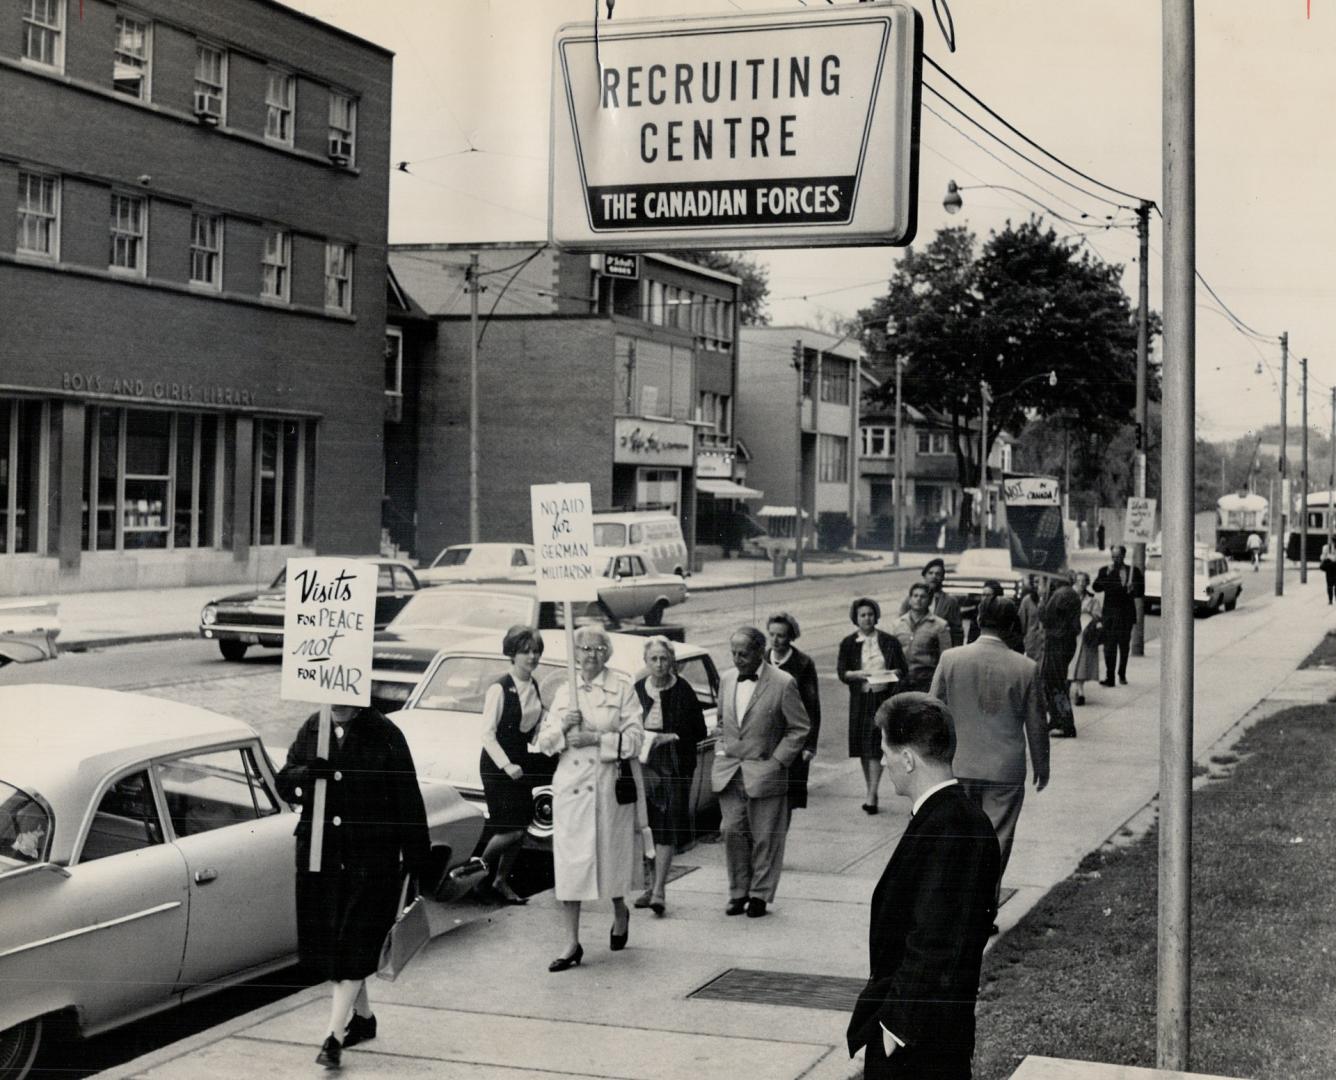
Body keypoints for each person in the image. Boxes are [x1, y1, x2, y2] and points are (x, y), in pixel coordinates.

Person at [846, 693, 1001, 1079]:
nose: (883, 761)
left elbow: (935, 940)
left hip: (920, 1048)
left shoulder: (951, 826)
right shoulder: (950, 817)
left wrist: (894, 1030)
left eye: (885, 751)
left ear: (908, 759)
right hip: (926, 1036)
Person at [276, 702, 430, 1069]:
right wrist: (306, 775)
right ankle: (363, 1018)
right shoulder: (314, 727)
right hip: (322, 854)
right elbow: (285, 781)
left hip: (370, 857)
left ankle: (333, 1036)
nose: (340, 706)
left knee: (351, 944)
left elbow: (407, 796)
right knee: (338, 943)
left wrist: (415, 858)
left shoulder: (386, 733)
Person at [930, 597, 1048, 925]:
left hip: (958, 763)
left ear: (979, 619)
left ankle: (953, 904)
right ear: (1012, 626)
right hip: (1005, 767)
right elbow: (1037, 722)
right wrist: (1042, 764)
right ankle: (982, 910)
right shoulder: (1025, 667)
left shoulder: (951, 659)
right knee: (996, 840)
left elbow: (934, 710)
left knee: (957, 836)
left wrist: (934, 757)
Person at [537, 626, 645, 972]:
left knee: (609, 858)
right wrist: (562, 729)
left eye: (598, 649)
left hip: (605, 786)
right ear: (575, 653)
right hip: (571, 786)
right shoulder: (565, 691)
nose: (591, 655)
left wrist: (597, 738)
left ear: (607, 653)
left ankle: (619, 910)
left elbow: (635, 739)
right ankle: (571, 942)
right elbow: (544, 742)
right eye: (584, 648)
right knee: (571, 865)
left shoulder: (622, 688)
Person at [712, 626, 811, 918]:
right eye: (733, 653)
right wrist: (721, 748)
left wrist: (778, 762)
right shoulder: (728, 680)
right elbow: (720, 722)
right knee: (731, 832)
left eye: (743, 653)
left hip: (766, 771)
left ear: (759, 651)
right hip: (730, 770)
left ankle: (759, 894)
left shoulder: (783, 683)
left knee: (766, 836)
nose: (737, 659)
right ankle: (738, 891)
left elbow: (799, 728)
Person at [632, 636, 707, 917]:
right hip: (644, 765)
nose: (660, 664)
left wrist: (671, 736)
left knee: (667, 826)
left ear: (671, 660)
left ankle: (660, 890)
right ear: (646, 662)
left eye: (664, 659)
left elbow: (699, 731)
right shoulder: (638, 689)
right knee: (647, 826)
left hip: (675, 765)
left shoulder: (683, 690)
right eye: (654, 659)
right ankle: (650, 886)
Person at [476, 625, 548, 905]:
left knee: (521, 826)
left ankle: (500, 881)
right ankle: (477, 873)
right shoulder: (499, 687)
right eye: (525, 651)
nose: (531, 657)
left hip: (520, 759)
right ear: (512, 654)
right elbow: (487, 734)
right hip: (497, 765)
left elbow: (532, 726)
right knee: (511, 829)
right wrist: (507, 766)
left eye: (535, 651)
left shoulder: (534, 685)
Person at [838, 598, 909, 815]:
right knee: (862, 746)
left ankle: (872, 794)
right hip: (860, 699)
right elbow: (843, 672)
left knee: (876, 745)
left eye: (870, 614)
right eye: (862, 615)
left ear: (876, 616)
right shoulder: (849, 643)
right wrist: (858, 675)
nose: (867, 618)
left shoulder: (888, 641)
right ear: (856, 618)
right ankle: (871, 789)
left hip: (882, 698)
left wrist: (893, 674)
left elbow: (902, 669)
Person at [766, 612, 822, 813]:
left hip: (794, 738)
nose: (775, 640)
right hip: (766, 737)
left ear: (790, 636)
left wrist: (810, 745)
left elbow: (812, 706)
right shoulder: (762, 660)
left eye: (781, 635)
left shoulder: (803, 663)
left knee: (788, 800)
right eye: (772, 634)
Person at [1093, 544, 1144, 687]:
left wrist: (1133, 588)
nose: (1116, 559)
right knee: (1109, 647)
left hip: (1126, 614)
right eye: (1113, 556)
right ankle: (1110, 677)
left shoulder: (1133, 571)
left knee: (1124, 646)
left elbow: (1141, 592)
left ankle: (1121, 673)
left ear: (1124, 556)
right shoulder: (1105, 570)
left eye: (1118, 556)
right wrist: (1107, 575)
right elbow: (1096, 587)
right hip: (1110, 614)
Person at [1039, 571, 1082, 738]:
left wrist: (1043, 597)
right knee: (1052, 682)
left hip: (1058, 642)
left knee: (1055, 683)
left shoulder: (1061, 595)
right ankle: (1057, 718)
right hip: (1064, 641)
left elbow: (1045, 617)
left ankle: (1065, 722)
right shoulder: (1069, 594)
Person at [890, 583, 953, 693]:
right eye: (915, 596)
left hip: (926, 682)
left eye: (923, 597)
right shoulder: (897, 624)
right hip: (901, 682)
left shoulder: (940, 625)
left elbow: (946, 657)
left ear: (929, 601)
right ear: (910, 599)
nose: (918, 599)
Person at [899, 558, 964, 647]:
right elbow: (901, 623)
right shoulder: (913, 599)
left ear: (942, 577)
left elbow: (957, 632)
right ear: (924, 576)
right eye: (930, 573)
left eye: (938, 574)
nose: (934, 576)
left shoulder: (950, 602)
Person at [1067, 573, 1103, 705]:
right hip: (1070, 633)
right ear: (1075, 582)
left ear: (1087, 583)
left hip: (1085, 634)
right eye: (1079, 581)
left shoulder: (1092, 600)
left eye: (1084, 581)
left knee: (1081, 664)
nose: (1081, 583)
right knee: (1069, 663)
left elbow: (1098, 616)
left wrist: (1090, 615)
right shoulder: (1069, 597)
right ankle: (1069, 688)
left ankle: (1080, 691)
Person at [1017, 575, 1045, 663]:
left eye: (1042, 582)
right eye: (1036, 582)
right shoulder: (1027, 600)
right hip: (1032, 642)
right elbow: (1021, 623)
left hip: (1046, 642)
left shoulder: (1050, 600)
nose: (1039, 585)